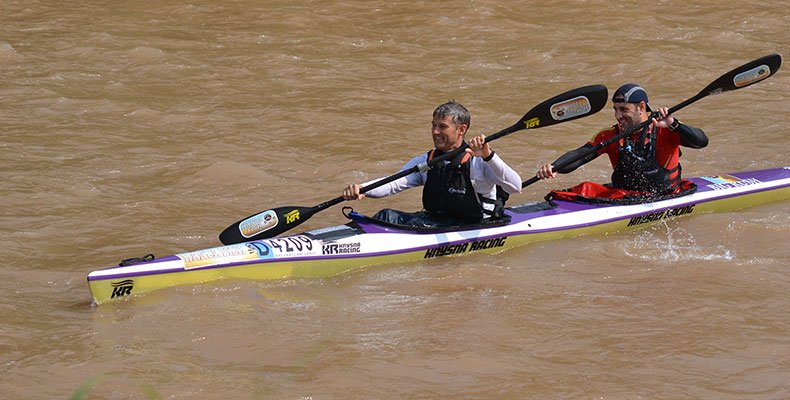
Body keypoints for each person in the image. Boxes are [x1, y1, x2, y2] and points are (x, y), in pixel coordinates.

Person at [342, 101, 522, 227]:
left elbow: (516, 186)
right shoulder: (427, 161)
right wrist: (363, 189)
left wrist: (489, 156)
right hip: (435, 221)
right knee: (385, 215)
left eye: (442, 126)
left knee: (415, 224)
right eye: (433, 125)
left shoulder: (479, 161)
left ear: (461, 129)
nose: (435, 132)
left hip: (473, 225)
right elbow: (393, 183)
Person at [535, 83, 709, 199]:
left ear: (641, 107)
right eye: (615, 109)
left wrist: (673, 124)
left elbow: (701, 141)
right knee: (584, 188)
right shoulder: (610, 135)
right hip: (625, 196)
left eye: (624, 109)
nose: (618, 115)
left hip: (667, 195)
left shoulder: (666, 128)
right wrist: (554, 167)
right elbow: (581, 155)